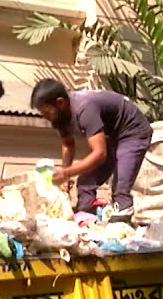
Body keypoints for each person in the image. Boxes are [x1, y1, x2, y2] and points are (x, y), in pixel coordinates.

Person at [29, 78, 154, 221]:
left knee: (120, 188)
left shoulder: (84, 108)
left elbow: (100, 154)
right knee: (85, 182)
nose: (45, 117)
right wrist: (65, 177)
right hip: (110, 136)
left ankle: (122, 220)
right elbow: (68, 144)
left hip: (132, 132)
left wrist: (67, 172)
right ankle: (86, 217)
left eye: (47, 112)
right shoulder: (60, 117)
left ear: (60, 102)